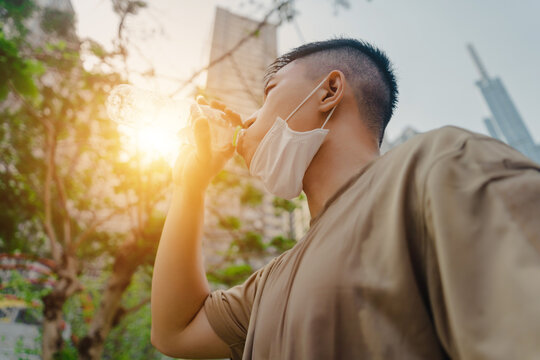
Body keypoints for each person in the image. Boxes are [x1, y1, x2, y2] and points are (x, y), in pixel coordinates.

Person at [150, 38, 540, 359]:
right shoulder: (271, 281)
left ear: (330, 91)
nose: (249, 120)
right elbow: (175, 331)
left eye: (269, 93)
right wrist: (189, 186)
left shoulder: (440, 166)